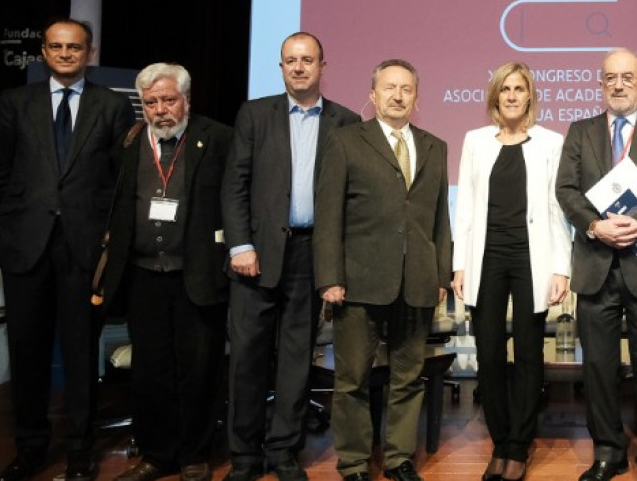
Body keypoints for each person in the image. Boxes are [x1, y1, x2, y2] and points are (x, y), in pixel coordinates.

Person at [0, 17, 135, 481]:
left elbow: (120, 178)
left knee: (79, 350)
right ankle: (30, 448)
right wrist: (34, 209)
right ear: (44, 53)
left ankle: (78, 450)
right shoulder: (14, 102)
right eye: (56, 46)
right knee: (26, 351)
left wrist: (102, 231)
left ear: (89, 52)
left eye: (75, 47)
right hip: (25, 247)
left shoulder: (112, 105)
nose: (66, 54)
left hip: (85, 251)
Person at [221, 32, 359, 481]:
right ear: (280, 67)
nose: (299, 68)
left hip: (310, 255)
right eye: (290, 61)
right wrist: (241, 245)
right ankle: (244, 456)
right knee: (247, 359)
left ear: (323, 65)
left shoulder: (347, 122)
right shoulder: (255, 114)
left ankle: (283, 452)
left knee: (298, 360)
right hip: (255, 257)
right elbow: (234, 184)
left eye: (307, 60)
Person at [314, 59, 452, 481]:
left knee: (408, 379)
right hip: (357, 282)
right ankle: (354, 463)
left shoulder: (435, 145)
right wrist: (329, 278)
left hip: (416, 283)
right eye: (389, 88)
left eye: (406, 89)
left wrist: (441, 275)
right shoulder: (346, 142)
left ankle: (398, 458)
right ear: (373, 95)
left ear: (416, 96)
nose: (397, 95)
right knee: (352, 380)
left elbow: (439, 219)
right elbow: (328, 216)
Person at [555, 48, 637, 481]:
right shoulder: (580, 131)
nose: (618, 84)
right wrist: (595, 226)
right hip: (595, 266)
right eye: (610, 77)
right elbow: (567, 190)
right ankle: (608, 453)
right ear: (600, 84)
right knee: (598, 371)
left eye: (628, 77)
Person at [100, 63, 232, 481]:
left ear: (187, 100)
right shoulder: (129, 141)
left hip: (197, 275)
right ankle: (157, 454)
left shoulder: (217, 138)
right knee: (150, 371)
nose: (160, 110)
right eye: (151, 102)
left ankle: (194, 454)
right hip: (143, 277)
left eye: (168, 100)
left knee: (199, 371)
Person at [451, 62, 572, 481]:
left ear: (530, 96)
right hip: (485, 257)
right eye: (505, 89)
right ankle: (500, 441)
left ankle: (519, 445)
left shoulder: (550, 143)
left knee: (528, 352)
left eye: (520, 88)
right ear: (495, 96)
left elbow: (558, 211)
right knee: (487, 353)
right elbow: (464, 205)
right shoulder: (475, 141)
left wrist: (561, 267)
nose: (513, 95)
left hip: (531, 258)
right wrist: (460, 264)